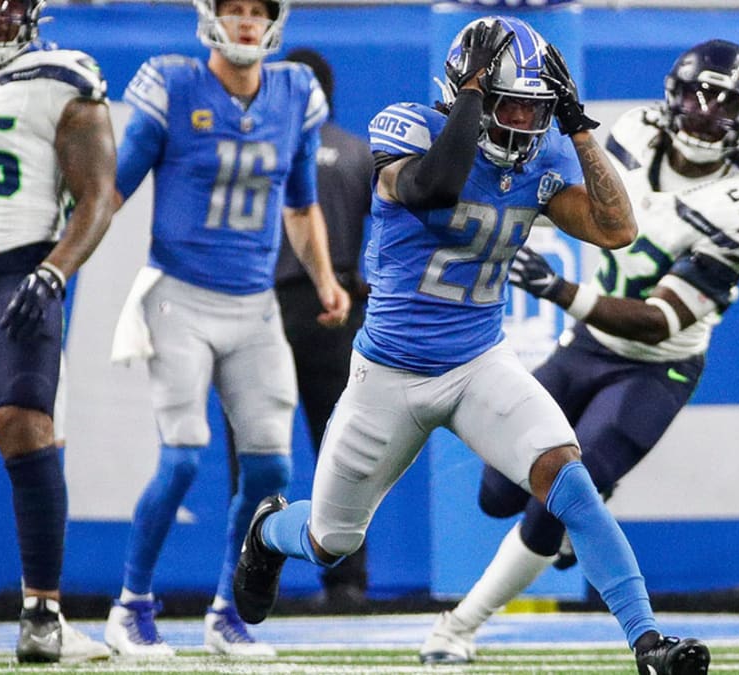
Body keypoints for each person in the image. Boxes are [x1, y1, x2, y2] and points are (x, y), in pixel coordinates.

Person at [232, 15, 712, 675]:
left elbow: (617, 229)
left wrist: (578, 129)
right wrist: (471, 97)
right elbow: (435, 187)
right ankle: (267, 530)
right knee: (330, 539)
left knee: (565, 474)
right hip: (390, 373)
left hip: (479, 360)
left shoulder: (544, 153)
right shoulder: (409, 127)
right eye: (508, 101)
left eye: (535, 105)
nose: (522, 119)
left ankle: (648, 640)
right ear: (468, 90)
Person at [419, 38, 739, 666]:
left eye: (721, 101)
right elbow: (566, 199)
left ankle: (457, 628)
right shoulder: (635, 131)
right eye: (694, 93)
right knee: (496, 494)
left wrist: (557, 287)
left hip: (655, 365)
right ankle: (565, 531)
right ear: (670, 94)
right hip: (584, 346)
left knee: (556, 499)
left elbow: (658, 321)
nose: (701, 110)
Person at [103, 0, 349, 659]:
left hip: (255, 304)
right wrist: (58, 253)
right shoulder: (175, 84)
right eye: (233, 8)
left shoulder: (296, 91)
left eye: (255, 9)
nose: (245, 20)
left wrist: (325, 280)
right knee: (183, 456)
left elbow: (300, 204)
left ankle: (225, 612)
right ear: (210, 15)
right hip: (178, 295)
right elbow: (111, 190)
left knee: (271, 467)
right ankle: (130, 606)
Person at [0, 0, 117, 663]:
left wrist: (55, 270)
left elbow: (99, 194)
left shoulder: (62, 74)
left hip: (15, 274)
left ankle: (43, 613)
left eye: (5, 10)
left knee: (23, 422)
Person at [224, 47, 373, 609]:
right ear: (330, 90)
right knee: (344, 446)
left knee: (255, 443)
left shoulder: (263, 148)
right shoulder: (360, 153)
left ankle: (248, 577)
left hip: (264, 305)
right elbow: (384, 238)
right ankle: (347, 580)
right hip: (339, 308)